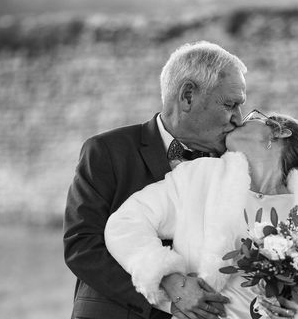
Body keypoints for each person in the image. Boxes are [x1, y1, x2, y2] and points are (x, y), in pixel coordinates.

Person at [63, 41, 248, 319]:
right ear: (187, 96)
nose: (238, 118)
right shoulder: (106, 151)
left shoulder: (233, 164)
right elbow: (82, 245)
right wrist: (168, 286)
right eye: (230, 105)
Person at [105, 110, 298, 319]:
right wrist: (171, 279)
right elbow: (126, 223)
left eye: (252, 117)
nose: (237, 121)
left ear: (280, 133)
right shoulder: (200, 178)